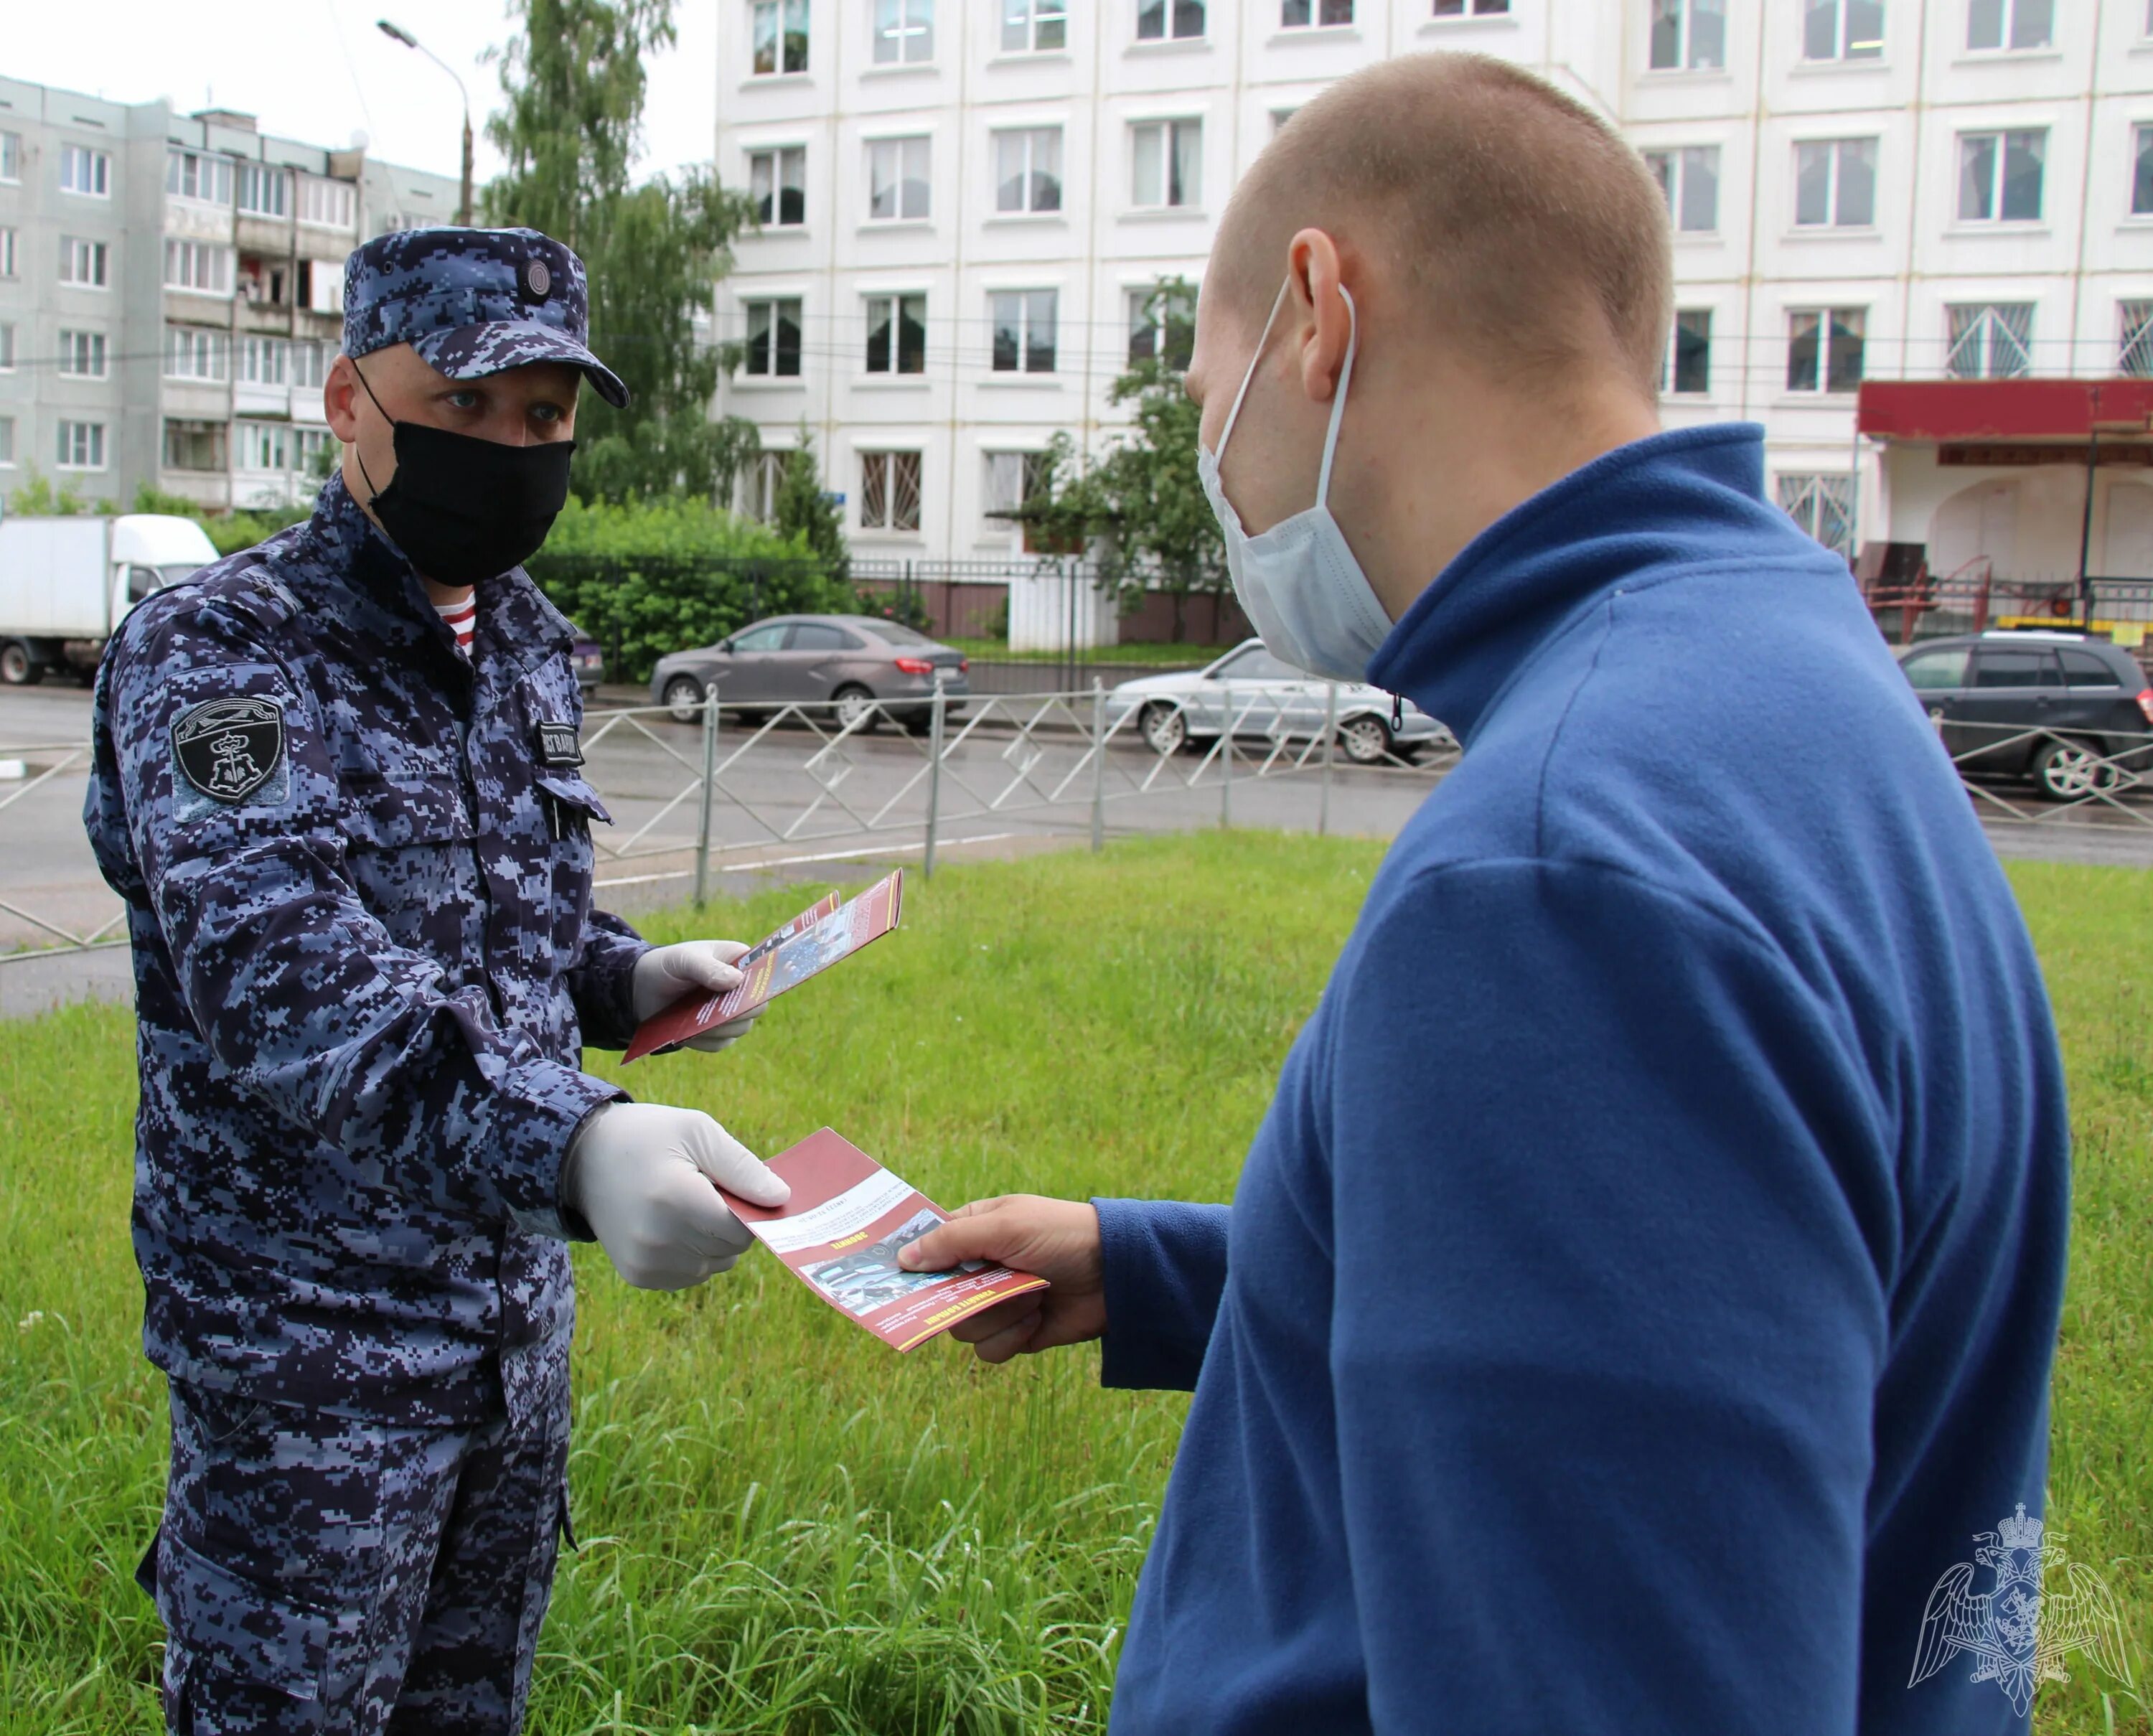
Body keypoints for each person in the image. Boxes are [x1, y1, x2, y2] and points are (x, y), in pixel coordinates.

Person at [899, 53, 2070, 1736]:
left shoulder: (1560, 884)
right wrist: (1166, 1271)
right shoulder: (1791, 673)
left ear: (1317, 309)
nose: (1223, 483)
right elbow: (1712, 1301)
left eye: (1204, 403)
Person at [83, 227, 792, 1735]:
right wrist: (580, 1140)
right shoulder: (222, 655)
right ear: (349, 402)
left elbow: (492, 926)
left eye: (544, 417)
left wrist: (621, 978)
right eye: (465, 406)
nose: (512, 448)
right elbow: (291, 985)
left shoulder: (529, 644)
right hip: (307, 1368)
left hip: (505, 1346)